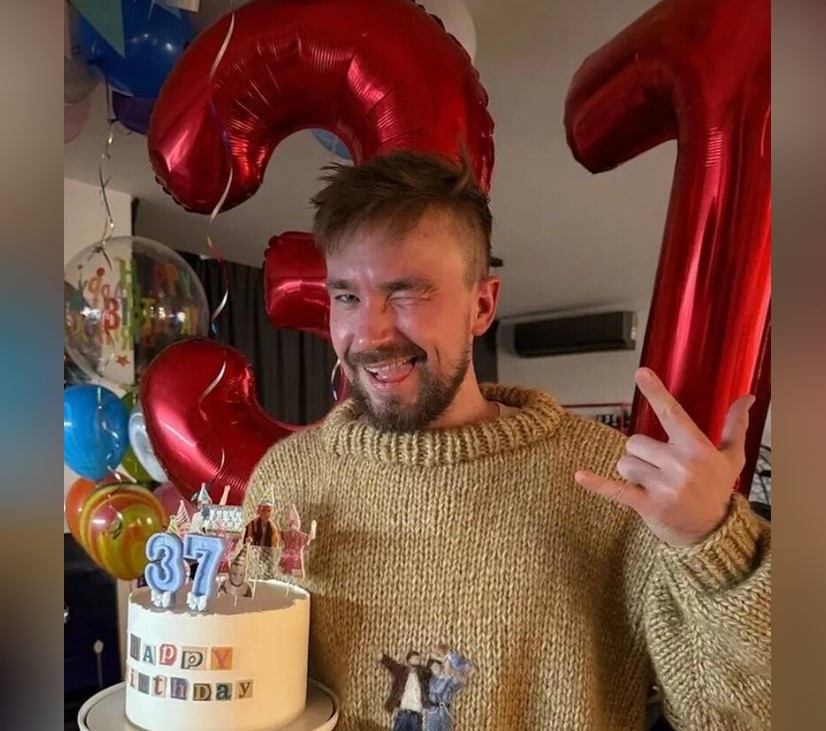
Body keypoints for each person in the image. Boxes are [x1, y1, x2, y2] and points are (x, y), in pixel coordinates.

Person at [244, 150, 771, 730]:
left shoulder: (612, 486)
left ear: (482, 305)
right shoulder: (284, 479)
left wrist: (716, 549)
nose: (367, 334)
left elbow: (746, 717)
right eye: (347, 296)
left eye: (407, 292)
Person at [380, 651, 431, 731]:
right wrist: (383, 657)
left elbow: (431, 671)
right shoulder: (401, 672)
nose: (417, 661)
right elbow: (392, 665)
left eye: (418, 659)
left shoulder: (422, 674)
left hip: (416, 713)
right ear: (408, 661)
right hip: (403, 712)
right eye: (414, 659)